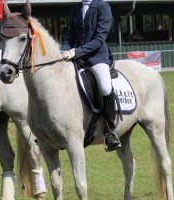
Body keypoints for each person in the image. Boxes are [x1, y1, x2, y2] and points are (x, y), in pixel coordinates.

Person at [61, 0, 121, 151]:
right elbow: (70, 36)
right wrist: (63, 50)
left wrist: (76, 51)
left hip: (97, 57)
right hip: (77, 58)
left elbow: (100, 39)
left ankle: (110, 131)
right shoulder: (76, 8)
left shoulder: (103, 7)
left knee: (106, 88)